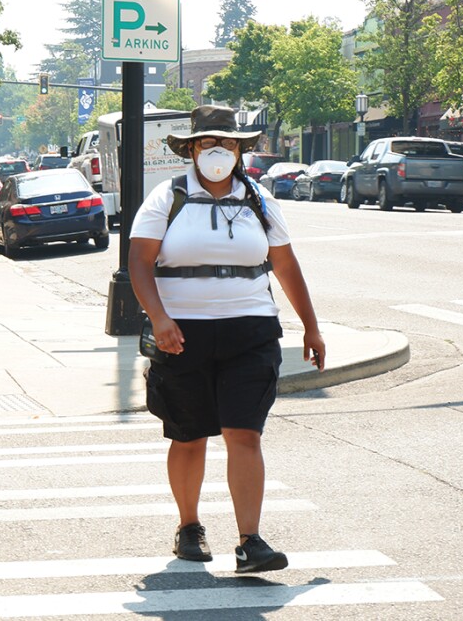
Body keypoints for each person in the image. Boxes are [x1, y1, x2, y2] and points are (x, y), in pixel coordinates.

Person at [128, 105, 325, 574]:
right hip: (182, 334)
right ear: (192, 150)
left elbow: (286, 265)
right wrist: (158, 318)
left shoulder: (259, 199)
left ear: (240, 150)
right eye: (207, 144)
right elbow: (139, 262)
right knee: (189, 434)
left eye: (228, 144)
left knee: (245, 433)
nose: (218, 153)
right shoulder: (167, 197)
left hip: (251, 329)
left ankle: (250, 542)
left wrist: (311, 326)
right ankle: (189, 527)